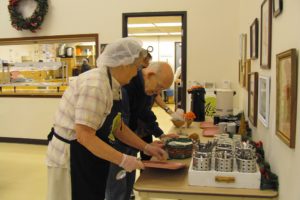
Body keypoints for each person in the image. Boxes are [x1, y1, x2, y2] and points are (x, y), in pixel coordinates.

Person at [46, 37, 167, 200]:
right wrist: (123, 160)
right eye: (136, 67)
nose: (136, 73)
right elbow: (84, 135)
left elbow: (117, 126)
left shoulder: (113, 85)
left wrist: (146, 148)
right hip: (70, 156)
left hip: (87, 153)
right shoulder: (95, 85)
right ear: (124, 63)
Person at [105, 61, 178, 200]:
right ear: (150, 74)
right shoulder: (127, 86)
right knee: (116, 190)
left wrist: (161, 135)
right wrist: (145, 147)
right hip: (116, 144)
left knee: (128, 185)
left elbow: (145, 114)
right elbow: (120, 129)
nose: (157, 93)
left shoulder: (146, 87)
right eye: (158, 87)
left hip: (130, 141)